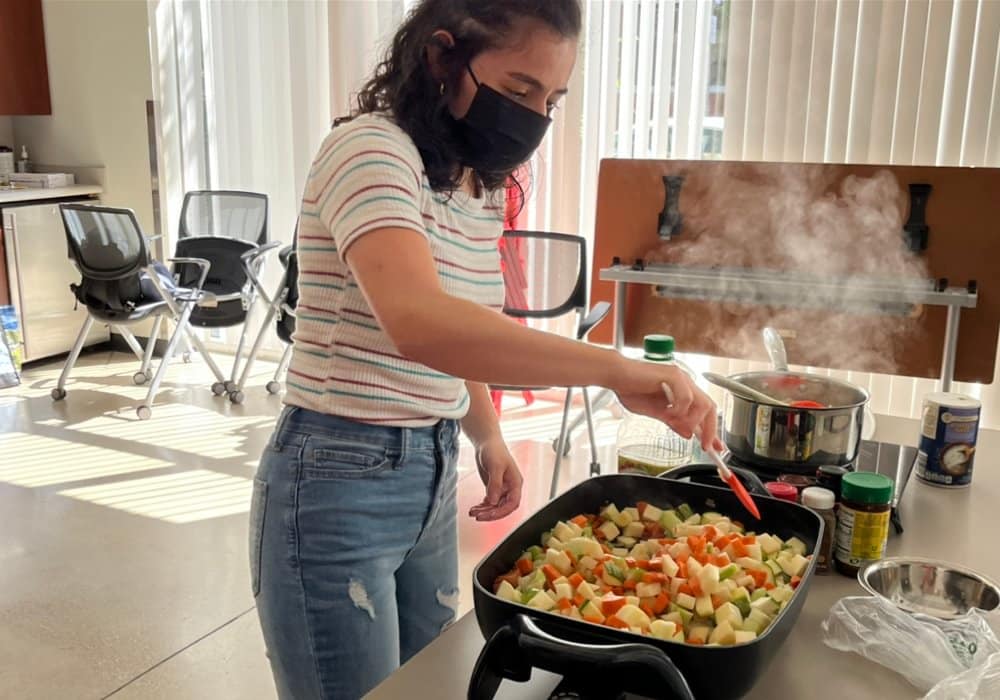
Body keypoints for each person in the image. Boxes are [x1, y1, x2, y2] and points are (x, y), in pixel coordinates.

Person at [250, 1, 720, 698]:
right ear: (442, 58)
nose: (535, 116)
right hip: (335, 476)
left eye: (552, 98)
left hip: (431, 469)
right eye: (520, 89)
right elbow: (419, 321)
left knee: (425, 687)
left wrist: (486, 432)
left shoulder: (478, 185)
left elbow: (464, 330)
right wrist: (615, 371)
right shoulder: (371, 150)